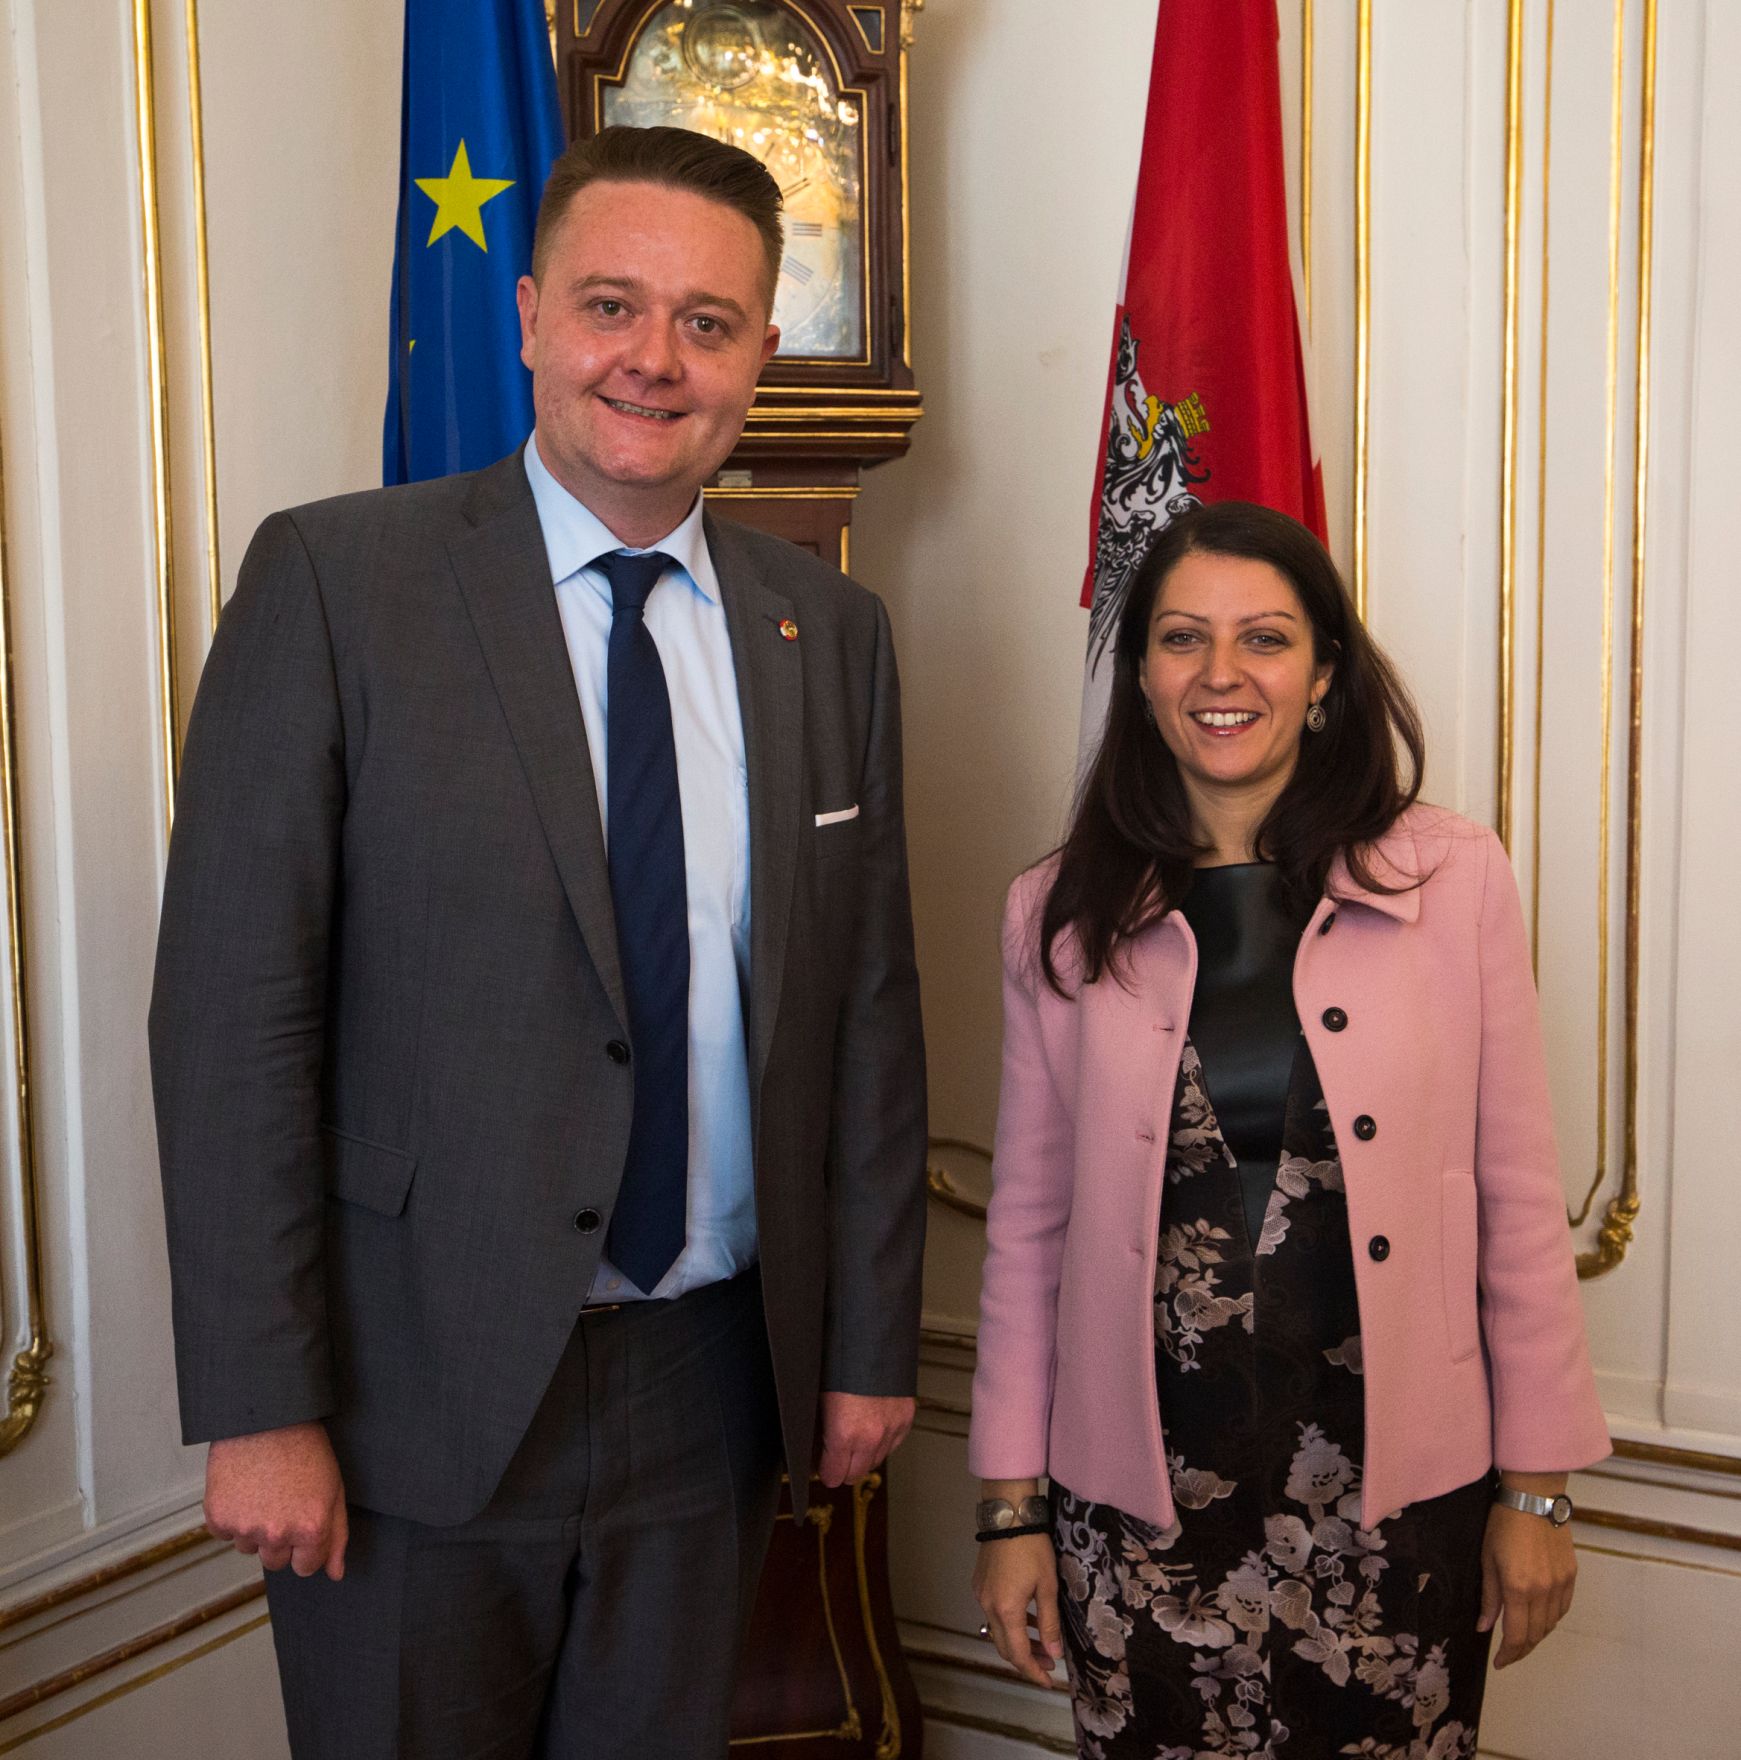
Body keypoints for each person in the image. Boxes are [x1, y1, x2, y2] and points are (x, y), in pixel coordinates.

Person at [150, 125, 927, 1760]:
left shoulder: (827, 635)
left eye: (707, 323)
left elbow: (865, 1021)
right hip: (403, 1400)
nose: (654, 358)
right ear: (523, 316)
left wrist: (861, 1352)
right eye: (609, 306)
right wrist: (259, 1404)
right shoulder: (337, 584)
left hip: (711, 1393)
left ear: (762, 357)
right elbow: (232, 1022)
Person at [967, 502, 1608, 1758]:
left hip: (1398, 1494)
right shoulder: (1054, 910)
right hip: (1139, 1502)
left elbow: (1518, 1200)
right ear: (1140, 672)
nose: (1221, 674)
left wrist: (1536, 1485)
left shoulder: (1452, 877)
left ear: (1322, 672)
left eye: (1263, 638)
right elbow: (1028, 1230)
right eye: (1180, 638)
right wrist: (1006, 1511)